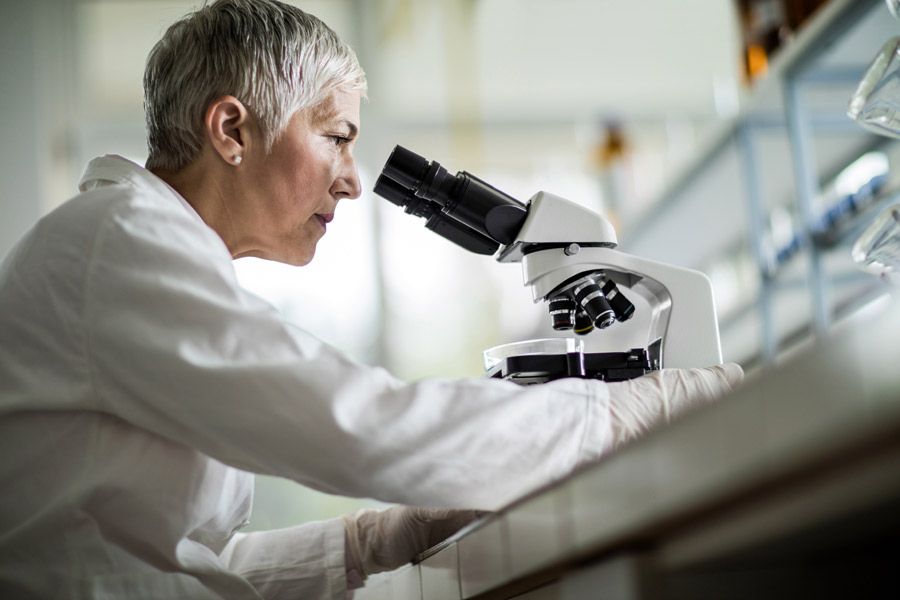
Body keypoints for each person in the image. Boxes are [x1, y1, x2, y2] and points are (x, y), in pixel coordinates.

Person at [0, 0, 743, 598]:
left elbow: (172, 564)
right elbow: (354, 424)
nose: (353, 180)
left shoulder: (131, 248)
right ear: (231, 129)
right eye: (336, 136)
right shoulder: (120, 244)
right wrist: (622, 417)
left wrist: (367, 544)